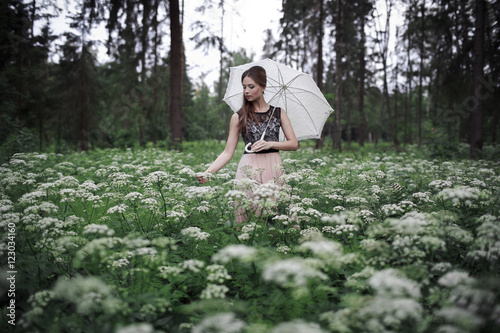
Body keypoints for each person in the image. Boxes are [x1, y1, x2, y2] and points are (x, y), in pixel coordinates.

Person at [197, 65, 298, 223]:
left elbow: (293, 144)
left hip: (274, 167)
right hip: (248, 168)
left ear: (263, 87)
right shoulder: (238, 116)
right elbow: (227, 152)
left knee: (278, 214)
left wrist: (270, 144)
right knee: (250, 215)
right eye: (244, 87)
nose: (246, 91)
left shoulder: (278, 113)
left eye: (251, 86)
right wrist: (208, 172)